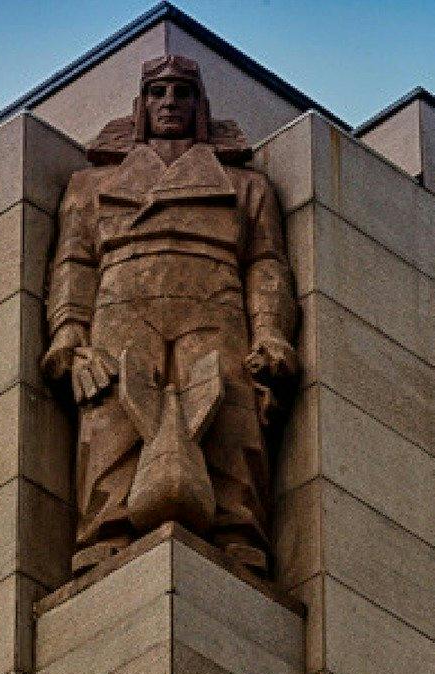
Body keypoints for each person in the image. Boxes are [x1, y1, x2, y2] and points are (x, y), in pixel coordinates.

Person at [41, 54, 298, 580]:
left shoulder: (246, 185)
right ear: (141, 106)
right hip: (121, 303)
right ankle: (107, 528)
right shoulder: (91, 186)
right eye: (158, 92)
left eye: (181, 92)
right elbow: (74, 262)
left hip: (214, 302)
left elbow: (265, 264)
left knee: (228, 404)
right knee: (111, 408)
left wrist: (270, 332)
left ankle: (236, 529)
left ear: (199, 106)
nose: (169, 103)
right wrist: (69, 335)